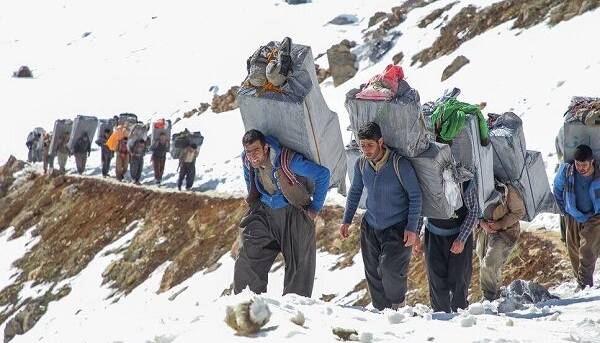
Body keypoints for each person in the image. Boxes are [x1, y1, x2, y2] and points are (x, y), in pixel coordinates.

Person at [233, 129, 330, 297]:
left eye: (256, 150)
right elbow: (249, 180)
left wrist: (315, 208)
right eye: (249, 152)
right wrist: (253, 199)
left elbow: (323, 174)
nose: (252, 156)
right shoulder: (247, 160)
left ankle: (292, 314)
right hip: (264, 213)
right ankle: (247, 305)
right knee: (247, 257)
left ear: (265, 148)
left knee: (299, 268)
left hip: (293, 213)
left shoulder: (286, 160)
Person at [339, 122, 422, 310]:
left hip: (397, 227)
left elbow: (416, 196)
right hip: (370, 226)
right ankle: (380, 313)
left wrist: (412, 228)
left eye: (370, 145)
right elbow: (355, 191)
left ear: (381, 142)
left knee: (390, 269)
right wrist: (346, 220)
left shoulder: (400, 164)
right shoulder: (361, 164)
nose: (365, 149)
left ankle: (398, 307)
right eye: (362, 145)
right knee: (372, 273)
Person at [415, 171, 479, 313]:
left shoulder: (464, 181)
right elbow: (420, 207)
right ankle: (440, 318)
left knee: (459, 279)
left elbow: (474, 212)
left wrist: (461, 239)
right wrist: (416, 232)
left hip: (459, 235)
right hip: (433, 234)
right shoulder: (427, 179)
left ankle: (461, 316)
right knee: (436, 279)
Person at [553, 144, 600, 290]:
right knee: (573, 249)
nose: (581, 168)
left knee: (586, 249)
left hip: (595, 216)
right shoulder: (567, 171)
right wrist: (564, 210)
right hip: (573, 215)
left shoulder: (598, 174)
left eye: (584, 164)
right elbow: (557, 189)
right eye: (578, 164)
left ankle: (584, 285)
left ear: (591, 161)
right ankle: (580, 282)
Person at [475, 180, 525, 301]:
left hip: (505, 233)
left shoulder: (506, 189)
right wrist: (482, 223)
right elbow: (471, 209)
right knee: (488, 266)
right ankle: (496, 297)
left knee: (489, 263)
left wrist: (500, 224)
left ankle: (488, 298)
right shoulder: (475, 185)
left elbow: (519, 211)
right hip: (485, 232)